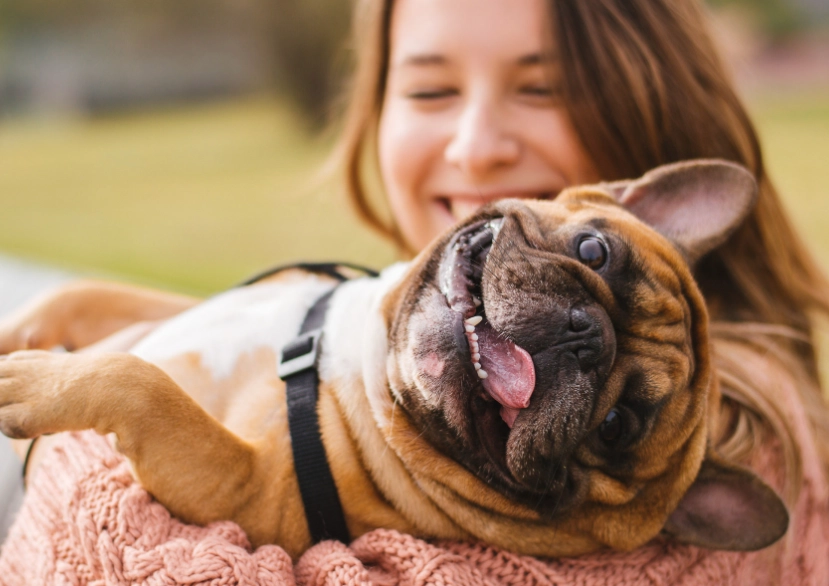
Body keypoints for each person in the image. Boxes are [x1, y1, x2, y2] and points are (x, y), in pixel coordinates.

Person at [1, 0, 828, 582]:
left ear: (653, 105)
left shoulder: (750, 445)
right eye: (431, 89)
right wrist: (106, 313)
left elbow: (105, 555)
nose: (474, 148)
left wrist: (91, 420)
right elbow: (249, 340)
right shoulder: (388, 317)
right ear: (625, 198)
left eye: (616, 420)